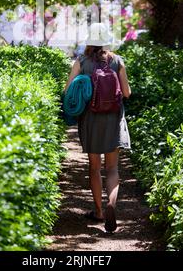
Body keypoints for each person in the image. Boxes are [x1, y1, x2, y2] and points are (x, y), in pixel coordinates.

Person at [64, 23, 131, 233]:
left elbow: (67, 91)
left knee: (94, 168)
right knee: (112, 168)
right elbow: (127, 93)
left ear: (89, 41)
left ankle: (99, 211)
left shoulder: (81, 61)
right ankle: (112, 202)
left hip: (91, 120)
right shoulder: (117, 61)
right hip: (113, 119)